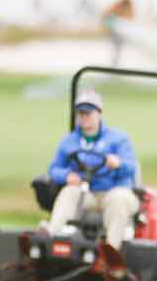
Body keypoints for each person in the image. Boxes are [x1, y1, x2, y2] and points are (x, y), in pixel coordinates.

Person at [43, 88, 140, 248]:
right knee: (69, 191)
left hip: (113, 190)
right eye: (81, 113)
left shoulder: (118, 139)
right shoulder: (69, 141)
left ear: (98, 113)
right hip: (86, 192)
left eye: (88, 113)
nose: (84, 117)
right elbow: (54, 169)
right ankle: (51, 235)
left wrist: (118, 163)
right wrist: (67, 176)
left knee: (119, 198)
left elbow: (131, 167)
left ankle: (111, 248)